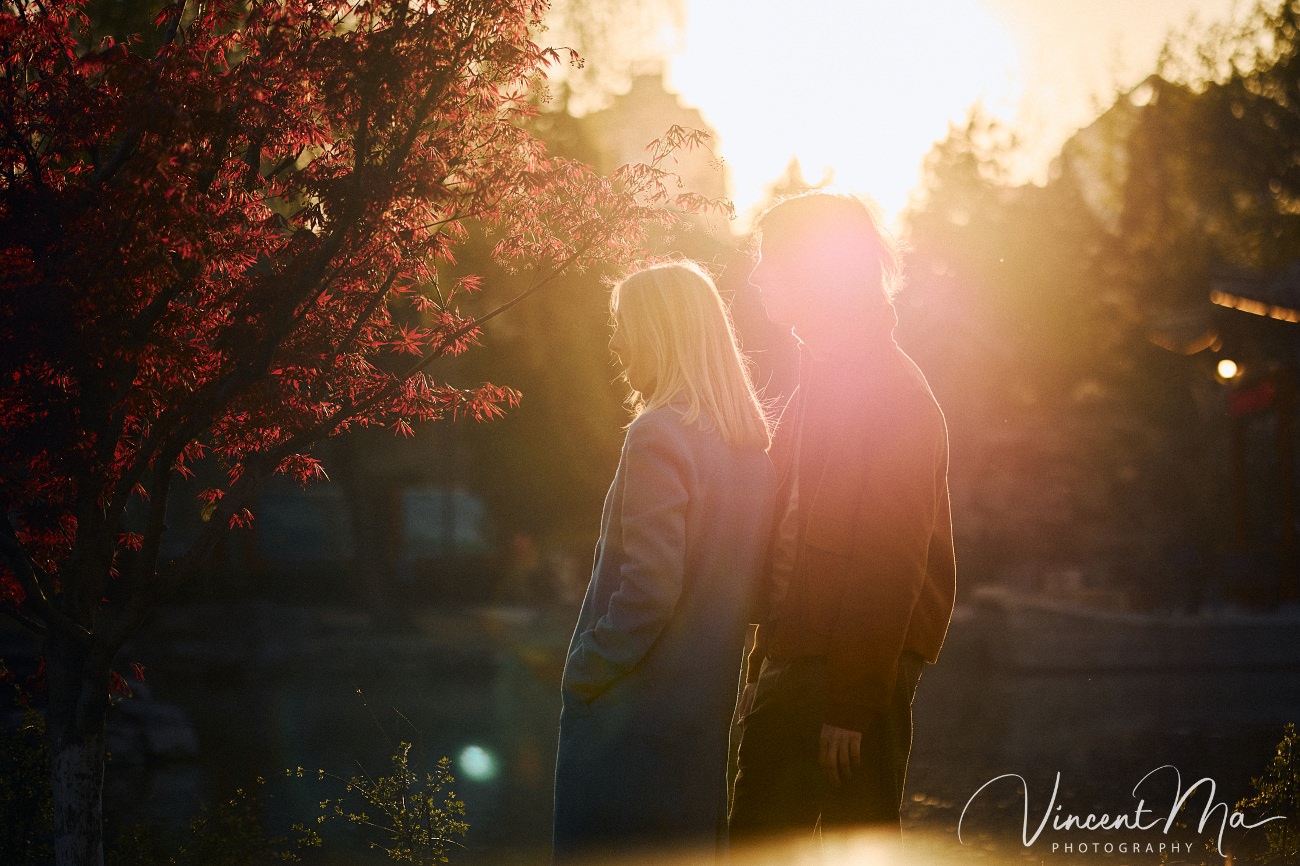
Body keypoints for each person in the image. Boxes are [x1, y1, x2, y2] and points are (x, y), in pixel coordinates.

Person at [729, 192, 957, 848]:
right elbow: (790, 542)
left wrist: (850, 706)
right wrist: (763, 664)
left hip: (847, 678)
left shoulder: (894, 396)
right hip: (800, 663)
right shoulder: (820, 382)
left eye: (771, 259)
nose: (757, 276)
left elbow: (890, 564)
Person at [552, 261, 777, 863]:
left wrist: (588, 666)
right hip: (699, 717)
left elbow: (651, 585)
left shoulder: (657, 434)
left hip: (630, 719)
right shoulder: (752, 454)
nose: (615, 343)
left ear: (659, 332)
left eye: (623, 325)